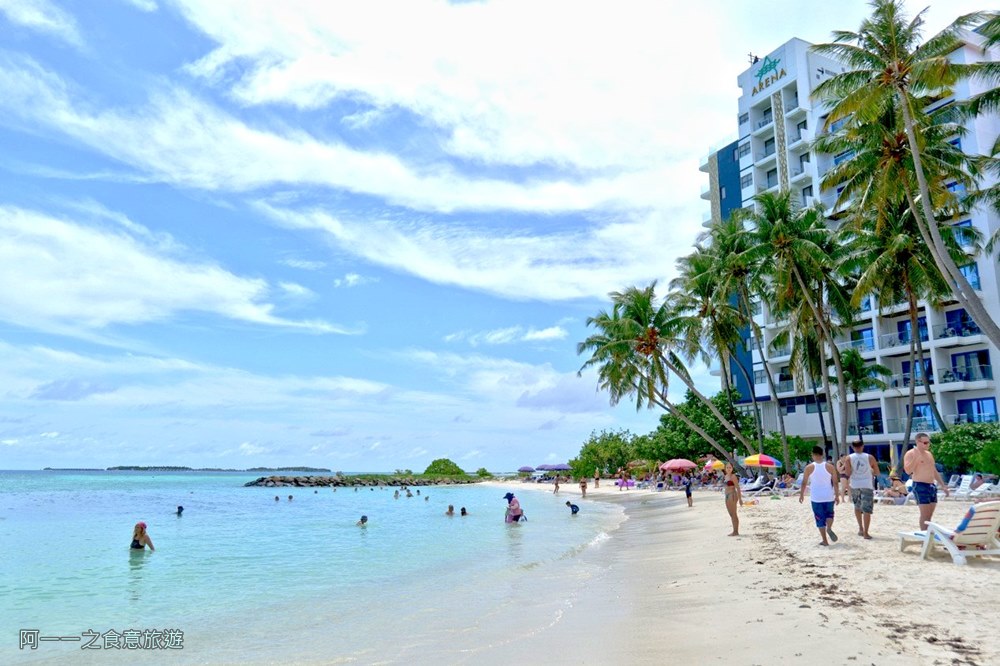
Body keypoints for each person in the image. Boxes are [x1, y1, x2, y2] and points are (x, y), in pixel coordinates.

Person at [903, 432, 950, 530]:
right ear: (917, 442)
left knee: (929, 516)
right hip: (920, 485)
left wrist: (943, 485)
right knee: (925, 515)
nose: (927, 445)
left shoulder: (929, 454)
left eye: (928, 443)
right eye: (925, 443)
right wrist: (916, 458)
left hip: (931, 485)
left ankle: (928, 537)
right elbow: (908, 471)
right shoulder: (910, 453)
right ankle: (925, 538)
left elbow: (934, 470)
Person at [800, 446, 840, 546]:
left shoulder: (809, 467)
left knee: (819, 518)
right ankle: (829, 528)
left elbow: (804, 483)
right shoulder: (830, 467)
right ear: (822, 454)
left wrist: (801, 495)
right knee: (830, 514)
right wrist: (837, 495)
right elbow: (835, 482)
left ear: (813, 455)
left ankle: (825, 541)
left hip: (816, 497)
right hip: (828, 495)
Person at [843, 441, 878, 539]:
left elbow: (848, 473)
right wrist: (870, 471)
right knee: (867, 509)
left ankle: (860, 528)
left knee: (857, 507)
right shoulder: (870, 457)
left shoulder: (848, 458)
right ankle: (866, 533)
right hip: (867, 484)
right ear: (862, 446)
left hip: (855, 484)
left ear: (852, 447)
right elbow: (877, 472)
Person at [723, 462, 742, 536]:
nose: (728, 469)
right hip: (727, 496)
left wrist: (740, 499)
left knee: (734, 514)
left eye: (730, 467)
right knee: (731, 514)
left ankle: (736, 531)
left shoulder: (733, 476)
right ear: (725, 468)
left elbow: (738, 488)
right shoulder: (725, 476)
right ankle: (734, 530)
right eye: (727, 467)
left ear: (732, 468)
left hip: (732, 495)